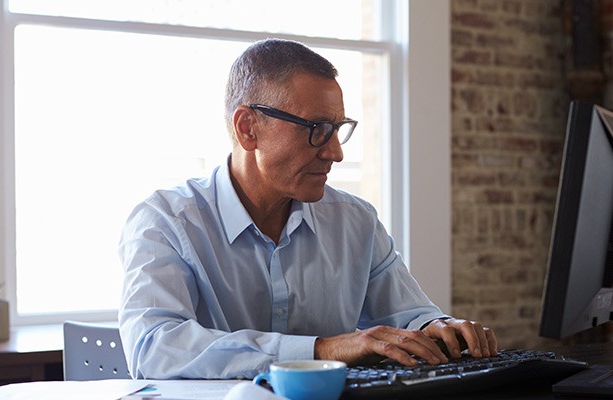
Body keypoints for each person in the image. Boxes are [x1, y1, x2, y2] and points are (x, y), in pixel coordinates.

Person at [118, 38, 497, 380]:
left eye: (337, 129)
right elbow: (153, 348)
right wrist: (321, 350)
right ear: (248, 128)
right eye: (316, 128)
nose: (335, 152)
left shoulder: (357, 222)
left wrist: (440, 327)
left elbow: (408, 315)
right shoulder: (165, 221)